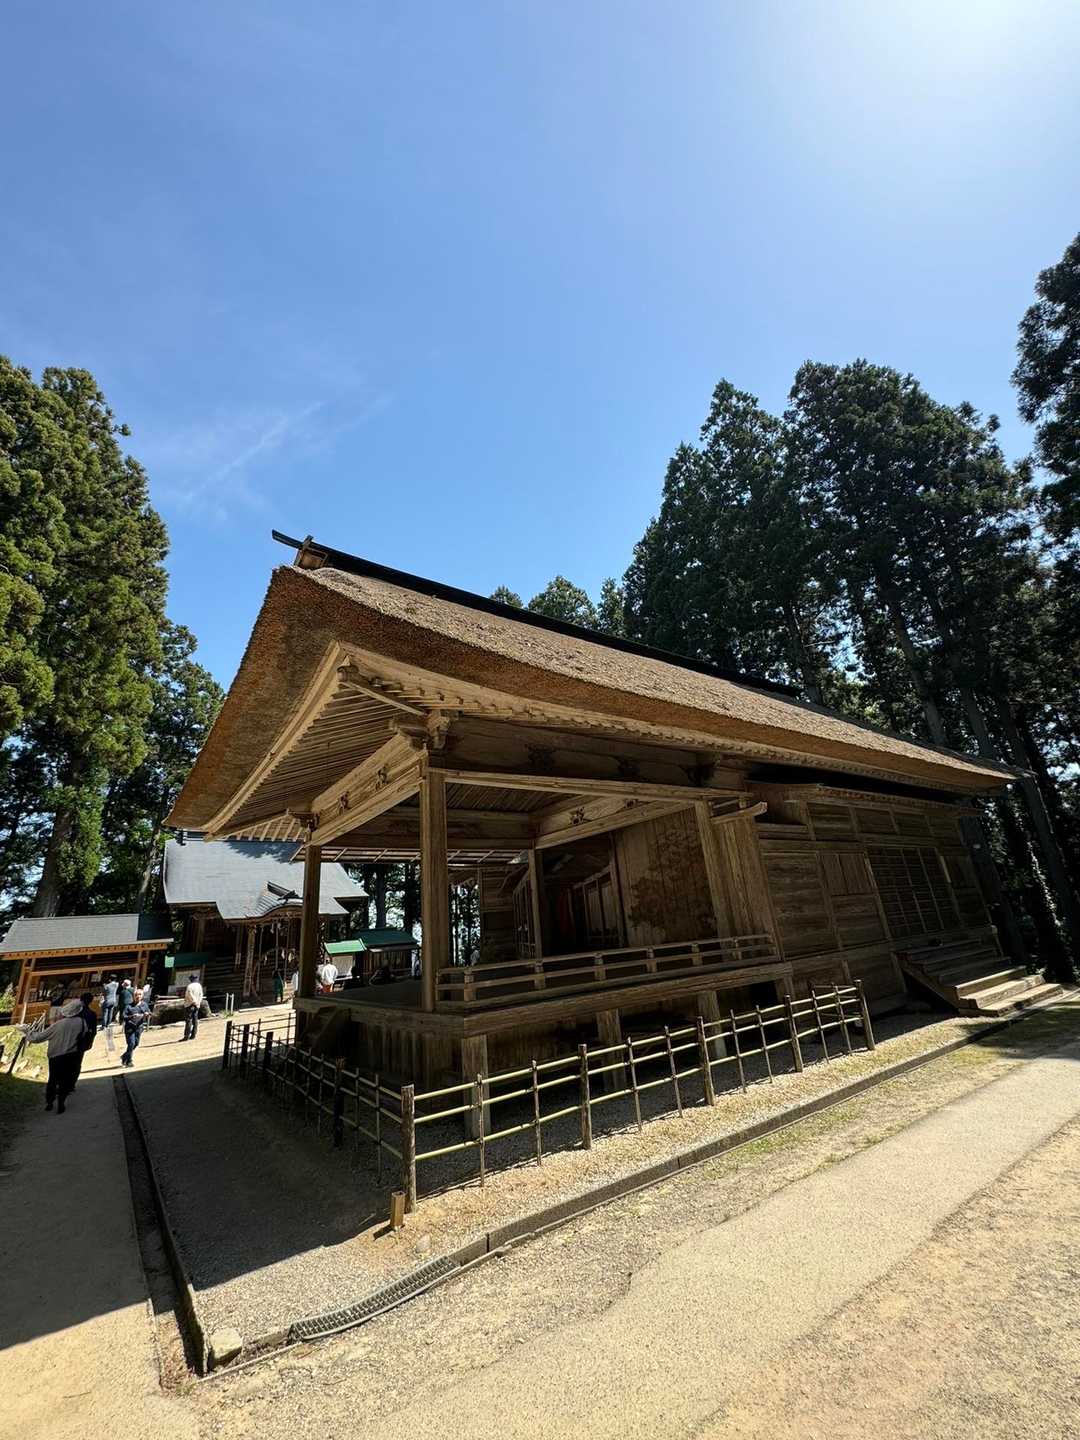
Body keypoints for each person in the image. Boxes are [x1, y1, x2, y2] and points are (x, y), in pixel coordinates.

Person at [34, 1000, 88, 1113]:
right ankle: (61, 1103)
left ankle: (49, 1102)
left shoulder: (58, 1024)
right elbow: (84, 1035)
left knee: (53, 1079)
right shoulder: (82, 1022)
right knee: (65, 1079)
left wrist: (27, 1033)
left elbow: (39, 1037)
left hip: (55, 1055)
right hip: (71, 1055)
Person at [71, 991, 98, 1088]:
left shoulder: (74, 1013)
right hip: (83, 1041)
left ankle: (64, 1082)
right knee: (77, 1062)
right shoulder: (92, 1014)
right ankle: (72, 1083)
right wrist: (90, 1042)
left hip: (70, 1040)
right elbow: (94, 1031)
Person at [120, 989, 151, 1067]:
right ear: (133, 996)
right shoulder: (129, 1006)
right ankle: (129, 1061)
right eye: (136, 995)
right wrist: (132, 1016)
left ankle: (125, 1056)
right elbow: (123, 1016)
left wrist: (147, 1014)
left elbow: (149, 1012)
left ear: (142, 996)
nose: (138, 996)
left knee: (136, 1044)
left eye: (140, 994)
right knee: (131, 1043)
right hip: (130, 1028)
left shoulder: (144, 1005)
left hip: (139, 1027)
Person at [181, 972, 204, 1042]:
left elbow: (190, 995)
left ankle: (187, 1036)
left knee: (189, 1020)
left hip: (190, 1004)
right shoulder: (199, 986)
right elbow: (201, 995)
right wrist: (198, 1003)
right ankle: (193, 1034)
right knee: (195, 1020)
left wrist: (194, 1002)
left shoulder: (190, 986)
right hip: (196, 1005)